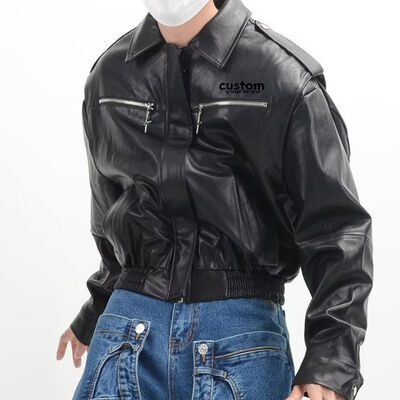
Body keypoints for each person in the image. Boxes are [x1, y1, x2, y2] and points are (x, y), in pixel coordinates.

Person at [56, 0, 374, 399]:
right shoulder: (109, 77)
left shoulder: (282, 77)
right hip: (126, 329)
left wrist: (332, 358)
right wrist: (99, 303)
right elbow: (109, 217)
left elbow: (337, 229)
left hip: (237, 335)